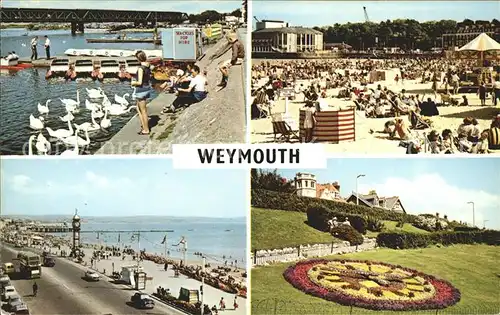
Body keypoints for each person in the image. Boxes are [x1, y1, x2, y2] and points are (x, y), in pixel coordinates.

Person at [131, 50, 152, 135]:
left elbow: (139, 82)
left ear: (138, 59)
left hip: (141, 90)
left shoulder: (140, 68)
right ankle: (144, 125)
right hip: (146, 88)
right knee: (138, 108)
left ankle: (146, 130)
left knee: (143, 111)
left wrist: (133, 82)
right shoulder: (148, 66)